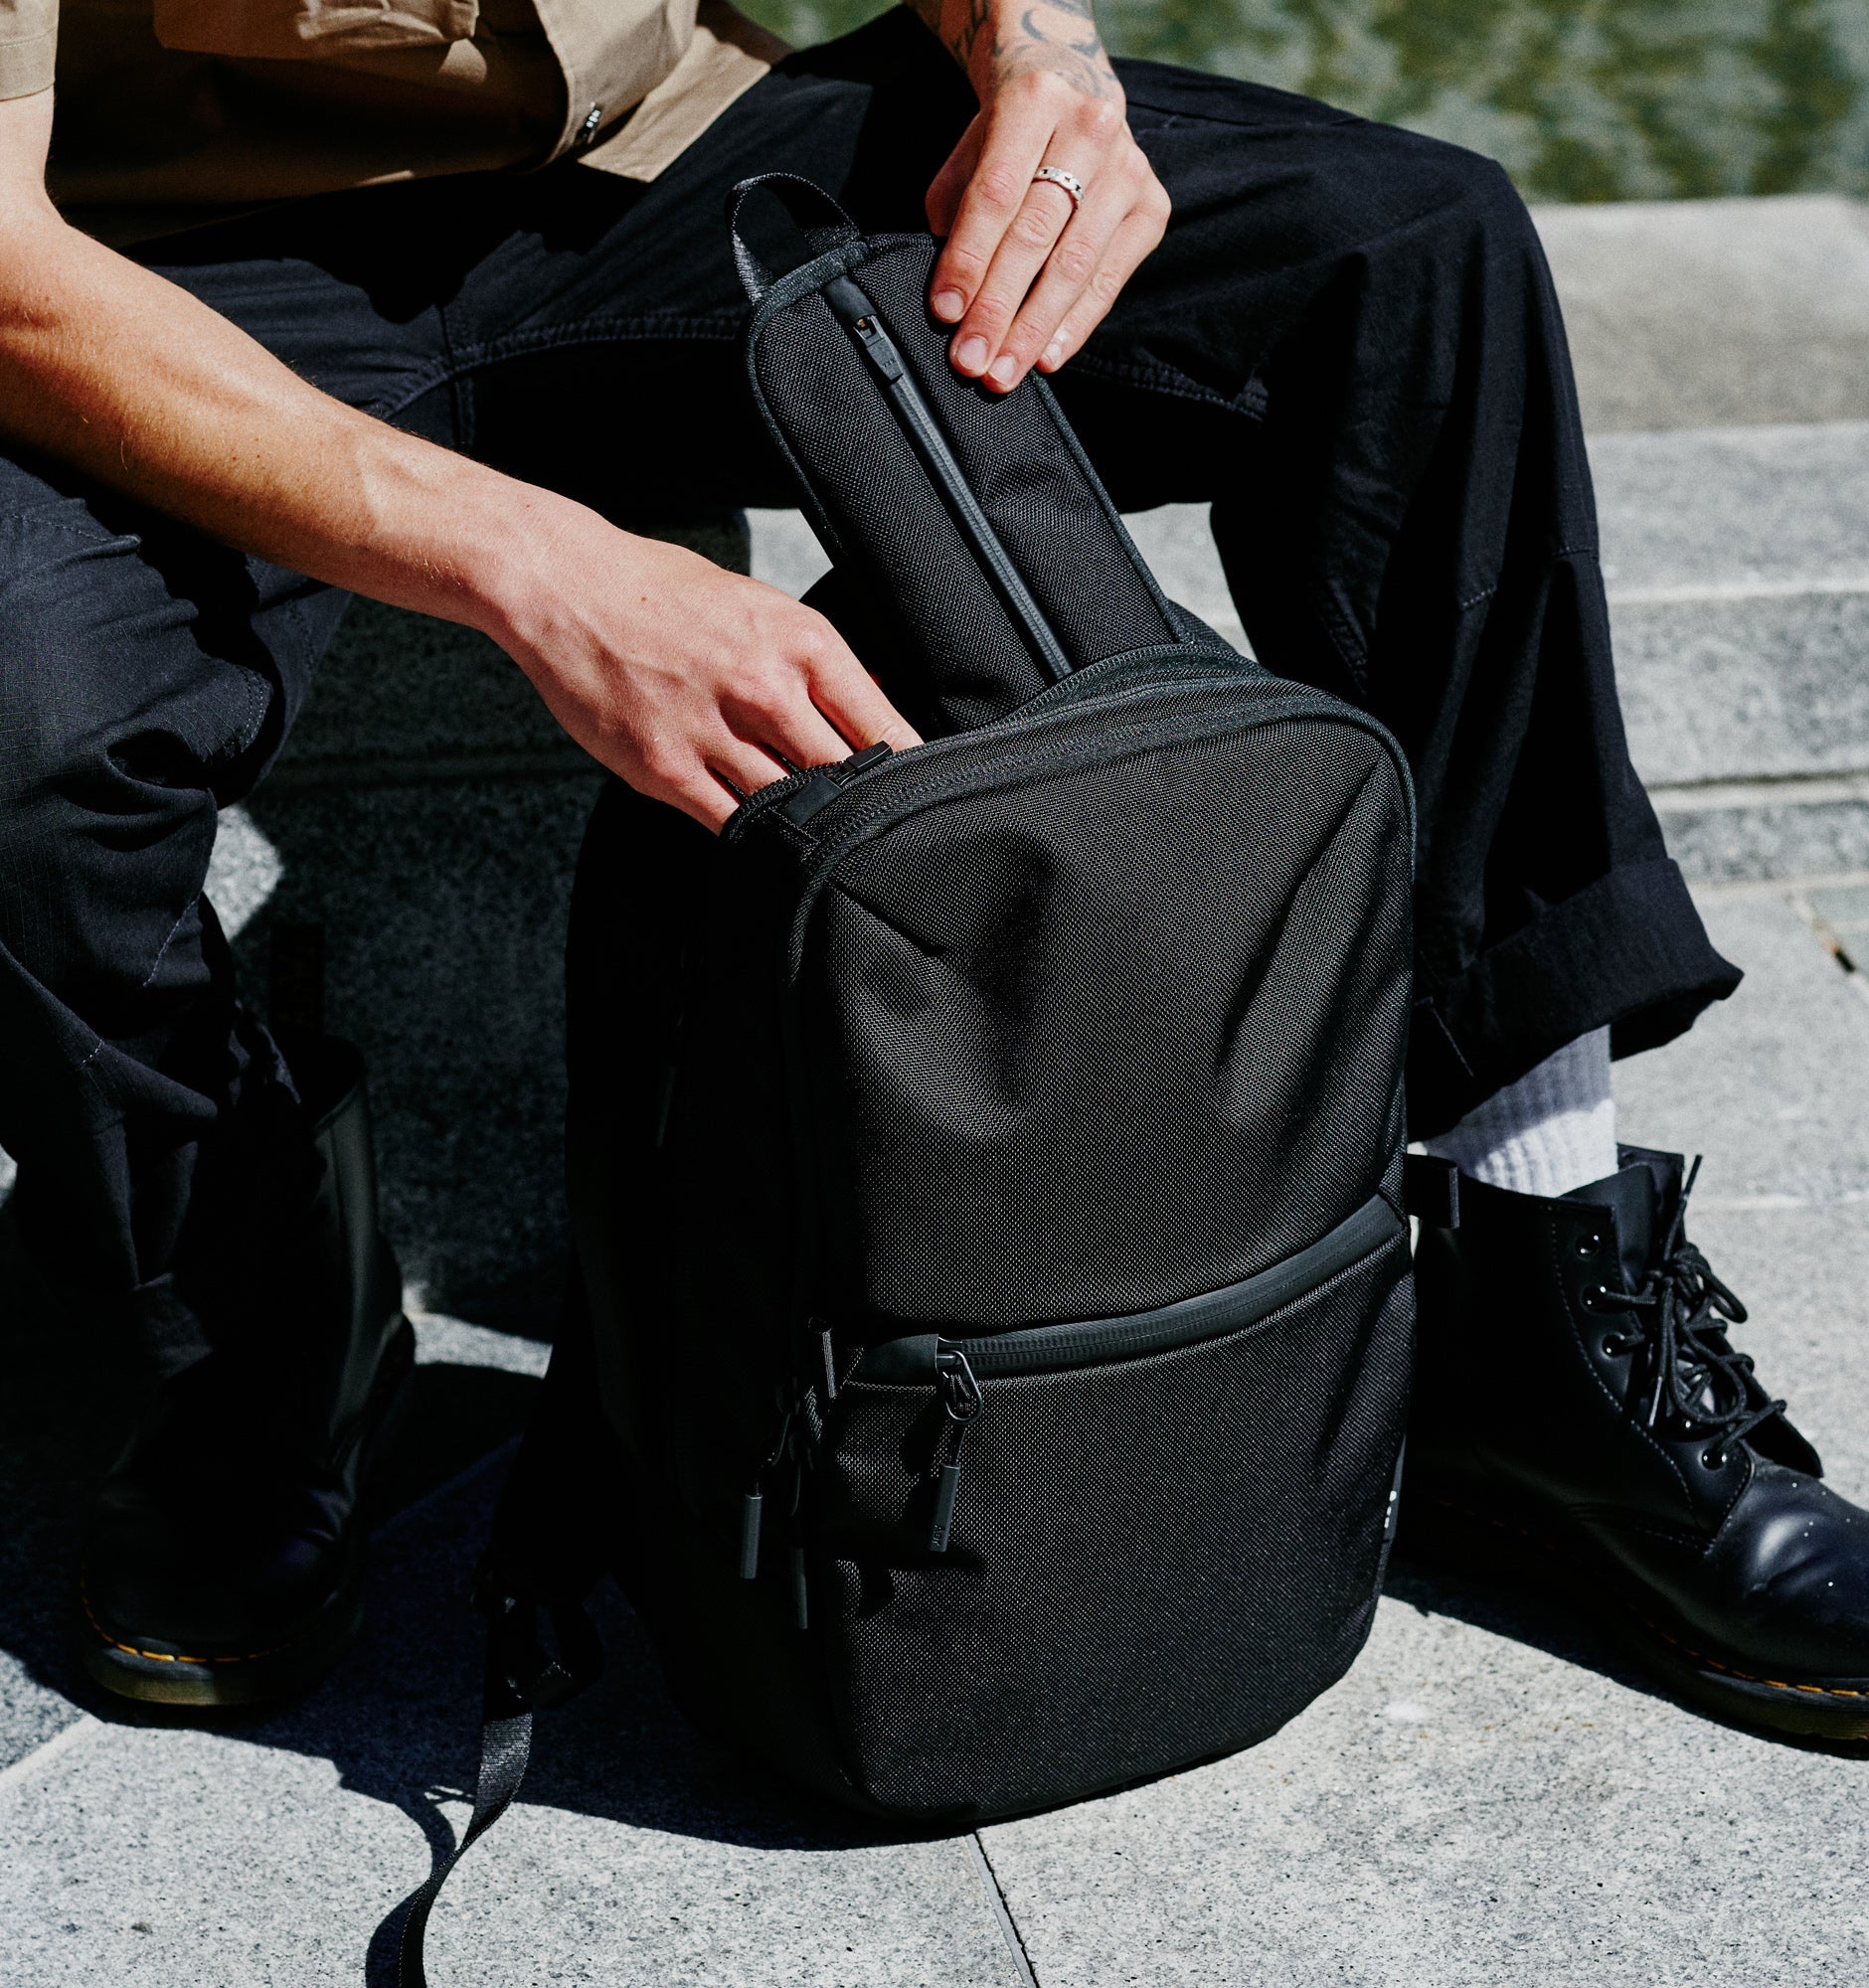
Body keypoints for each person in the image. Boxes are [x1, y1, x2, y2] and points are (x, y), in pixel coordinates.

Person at [1, 0, 1865, 1736]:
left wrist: (1035, 53)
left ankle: (1532, 1299)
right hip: (153, 266)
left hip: (655, 164)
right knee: (26, 722)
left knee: (1407, 253)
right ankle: (261, 1318)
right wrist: (537, 567)